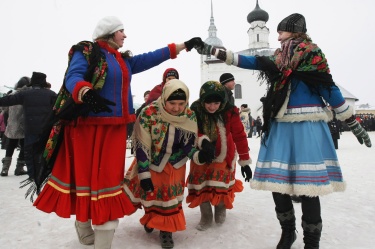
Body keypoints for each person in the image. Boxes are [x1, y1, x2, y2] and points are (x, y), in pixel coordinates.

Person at [194, 13, 371, 249]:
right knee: (277, 184)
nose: (277, 36)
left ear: (294, 30)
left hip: (307, 125)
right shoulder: (278, 57)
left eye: (281, 31)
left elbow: (329, 89)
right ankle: (288, 232)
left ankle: (311, 241)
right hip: (279, 124)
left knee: (309, 188)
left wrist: (352, 122)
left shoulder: (313, 55)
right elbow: (249, 61)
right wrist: (213, 50)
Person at [32, 16, 203, 249]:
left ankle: (104, 236)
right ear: (110, 33)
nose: (125, 35)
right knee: (85, 180)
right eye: (122, 31)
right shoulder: (87, 52)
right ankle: (83, 222)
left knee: (109, 184)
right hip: (86, 129)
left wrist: (184, 45)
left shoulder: (124, 61)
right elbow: (73, 77)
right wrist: (86, 92)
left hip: (114, 131)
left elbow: (152, 57)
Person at [123, 79, 208, 248]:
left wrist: (199, 155)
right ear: (164, 99)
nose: (176, 108)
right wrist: (144, 174)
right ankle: (151, 218)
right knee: (152, 194)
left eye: (181, 104)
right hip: (153, 161)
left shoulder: (189, 115)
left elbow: (188, 144)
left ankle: (166, 231)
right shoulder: (149, 114)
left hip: (176, 164)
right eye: (172, 103)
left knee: (169, 200)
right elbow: (142, 145)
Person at [186, 81, 252, 231]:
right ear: (202, 100)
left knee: (219, 183)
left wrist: (245, 161)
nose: (212, 106)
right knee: (201, 184)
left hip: (223, 151)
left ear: (221, 101)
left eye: (216, 103)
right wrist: (203, 142)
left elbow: (239, 136)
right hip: (202, 151)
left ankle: (220, 208)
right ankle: (206, 215)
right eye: (208, 102)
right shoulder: (195, 110)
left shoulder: (230, 111)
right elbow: (191, 131)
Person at [0, 73, 56, 180]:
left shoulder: (25, 94)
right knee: (44, 152)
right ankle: (44, 173)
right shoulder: (51, 94)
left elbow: (7, 101)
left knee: (29, 153)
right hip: (45, 130)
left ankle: (32, 175)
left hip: (30, 129)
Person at [0, 77, 30, 177]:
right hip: (23, 125)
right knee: (24, 147)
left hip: (12, 124)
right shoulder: (27, 95)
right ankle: (19, 168)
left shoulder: (11, 95)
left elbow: (4, 109)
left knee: (10, 146)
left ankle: (5, 169)